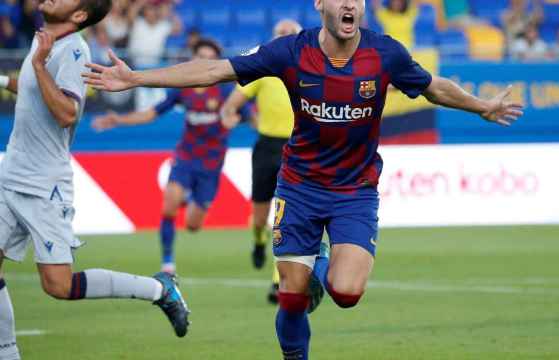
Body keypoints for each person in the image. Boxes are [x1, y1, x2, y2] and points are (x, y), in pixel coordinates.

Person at [83, 0, 524, 358]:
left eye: (359, 0)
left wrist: (481, 105)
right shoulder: (290, 51)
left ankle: (323, 257)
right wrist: (138, 77)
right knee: (292, 300)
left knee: (347, 293)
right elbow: (215, 70)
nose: (352, 5)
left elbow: (433, 87)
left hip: (354, 191)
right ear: (321, 6)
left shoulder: (384, 53)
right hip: (299, 188)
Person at [0, 1, 191, 358]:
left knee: (57, 285)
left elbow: (67, 112)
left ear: (78, 16)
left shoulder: (73, 49)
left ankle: (159, 289)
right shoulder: (43, 40)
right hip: (11, 171)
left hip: (42, 183)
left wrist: (40, 64)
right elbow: (29, 87)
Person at [92, 38, 234, 275]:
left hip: (212, 163)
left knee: (193, 225)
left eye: (210, 57)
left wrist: (239, 119)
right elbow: (151, 113)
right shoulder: (183, 89)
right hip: (186, 157)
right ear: (193, 59)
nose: (205, 62)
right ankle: (167, 262)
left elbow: (248, 112)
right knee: (169, 207)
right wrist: (118, 119)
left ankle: (189, 198)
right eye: (201, 57)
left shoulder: (226, 90)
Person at [221, 19, 302, 305]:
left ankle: (278, 281)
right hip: (267, 147)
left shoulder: (310, 70)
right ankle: (258, 240)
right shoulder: (264, 72)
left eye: (291, 33)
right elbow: (231, 104)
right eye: (281, 33)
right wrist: (230, 115)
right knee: (260, 217)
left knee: (287, 216)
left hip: (298, 148)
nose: (286, 37)